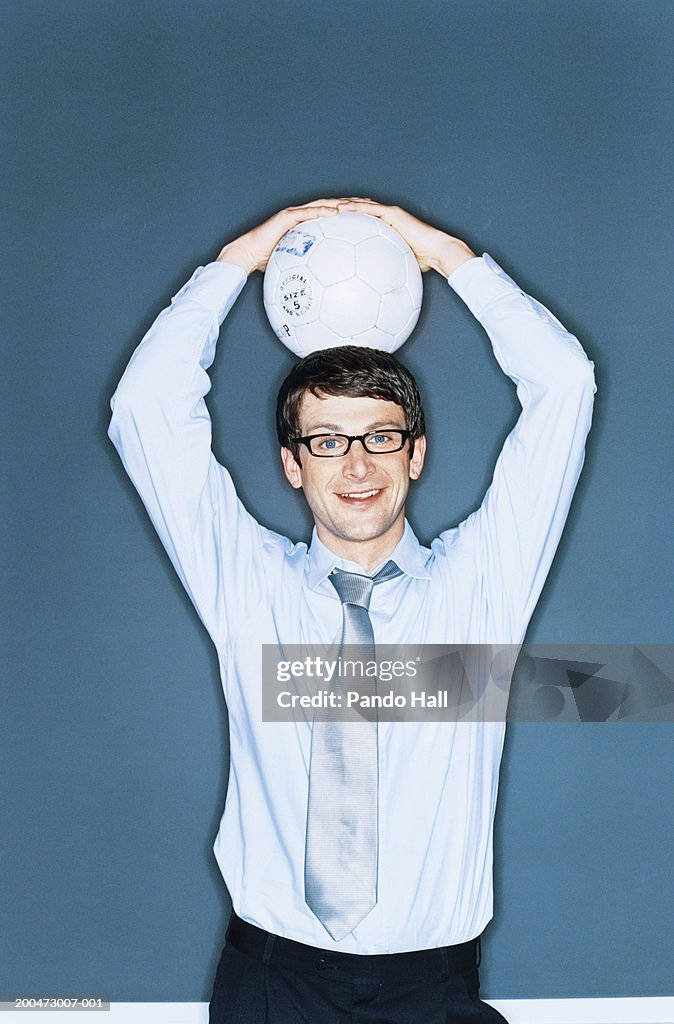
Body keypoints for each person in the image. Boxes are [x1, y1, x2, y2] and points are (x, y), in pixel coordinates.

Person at [108, 197, 596, 1023]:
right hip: (272, 985)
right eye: (327, 441)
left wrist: (449, 256)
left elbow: (565, 384)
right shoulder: (245, 585)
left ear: (416, 452)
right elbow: (145, 410)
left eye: (380, 436)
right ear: (293, 465)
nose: (357, 463)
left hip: (433, 990)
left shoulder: (484, 585)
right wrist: (241, 257)